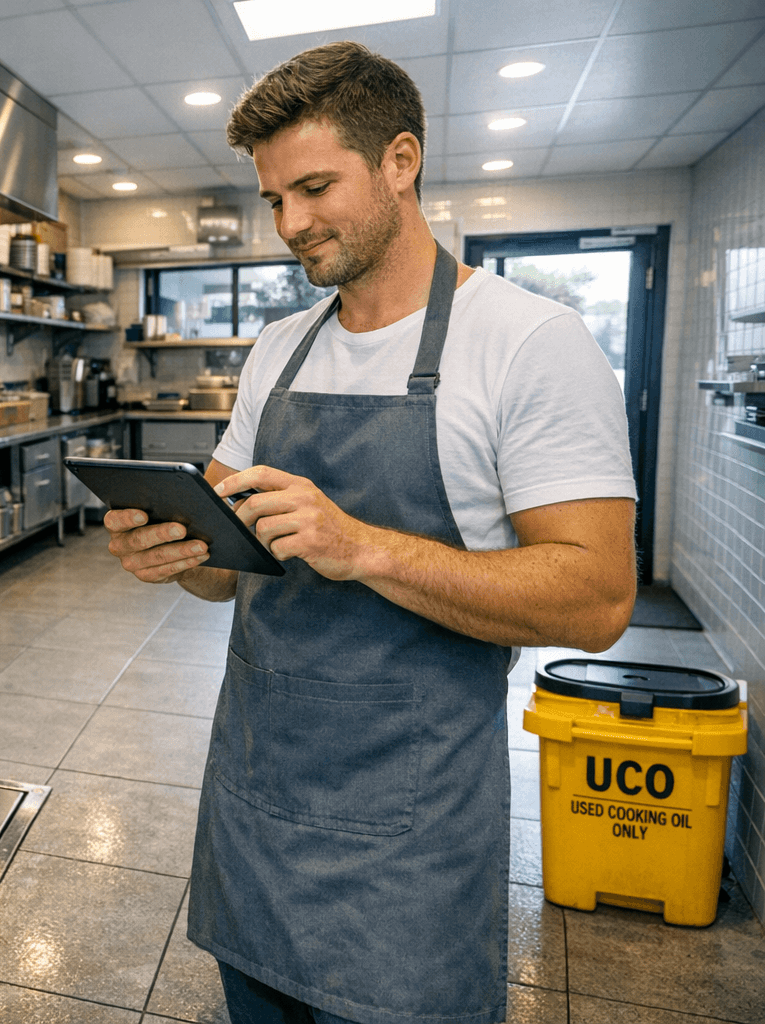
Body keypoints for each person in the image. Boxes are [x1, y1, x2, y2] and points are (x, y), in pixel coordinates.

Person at [104, 42, 637, 1024]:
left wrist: (367, 548)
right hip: (254, 810)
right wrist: (174, 554)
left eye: (314, 188)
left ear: (400, 161)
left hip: (410, 844)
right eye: (274, 199)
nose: (290, 224)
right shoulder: (279, 350)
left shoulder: (529, 342)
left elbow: (598, 599)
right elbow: (223, 572)